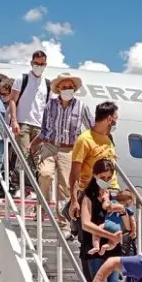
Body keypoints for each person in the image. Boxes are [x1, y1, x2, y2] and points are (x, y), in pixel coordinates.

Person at [30, 72, 93, 233]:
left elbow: (91, 128)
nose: (67, 89)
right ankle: (41, 209)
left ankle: (63, 222)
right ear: (58, 88)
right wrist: (33, 144)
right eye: (64, 87)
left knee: (65, 185)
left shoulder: (81, 106)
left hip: (69, 149)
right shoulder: (50, 105)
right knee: (45, 174)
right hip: (50, 146)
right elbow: (44, 129)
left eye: (70, 87)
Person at [78, 159, 124, 282]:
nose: (106, 180)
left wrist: (122, 211)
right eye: (102, 177)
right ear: (95, 175)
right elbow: (86, 224)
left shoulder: (111, 196)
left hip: (113, 249)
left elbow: (122, 215)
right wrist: (109, 235)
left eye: (109, 177)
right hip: (95, 249)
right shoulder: (88, 196)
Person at [69, 101, 120, 220]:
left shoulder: (108, 138)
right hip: (92, 194)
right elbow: (74, 174)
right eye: (116, 119)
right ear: (109, 119)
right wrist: (74, 200)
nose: (116, 123)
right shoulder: (85, 140)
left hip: (111, 192)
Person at [8, 49, 50, 169]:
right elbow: (12, 100)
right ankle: (20, 178)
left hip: (40, 127)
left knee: (38, 160)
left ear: (45, 65)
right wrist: (14, 121)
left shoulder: (47, 84)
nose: (39, 66)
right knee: (24, 157)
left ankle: (28, 180)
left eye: (42, 64)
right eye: (36, 63)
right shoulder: (22, 79)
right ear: (31, 63)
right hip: (23, 124)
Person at [88, 189, 135, 257]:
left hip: (106, 224)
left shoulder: (112, 203)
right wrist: (134, 231)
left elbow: (105, 206)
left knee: (96, 233)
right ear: (128, 201)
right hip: (117, 228)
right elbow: (132, 221)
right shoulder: (127, 209)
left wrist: (105, 198)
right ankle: (105, 247)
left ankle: (96, 246)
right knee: (113, 243)